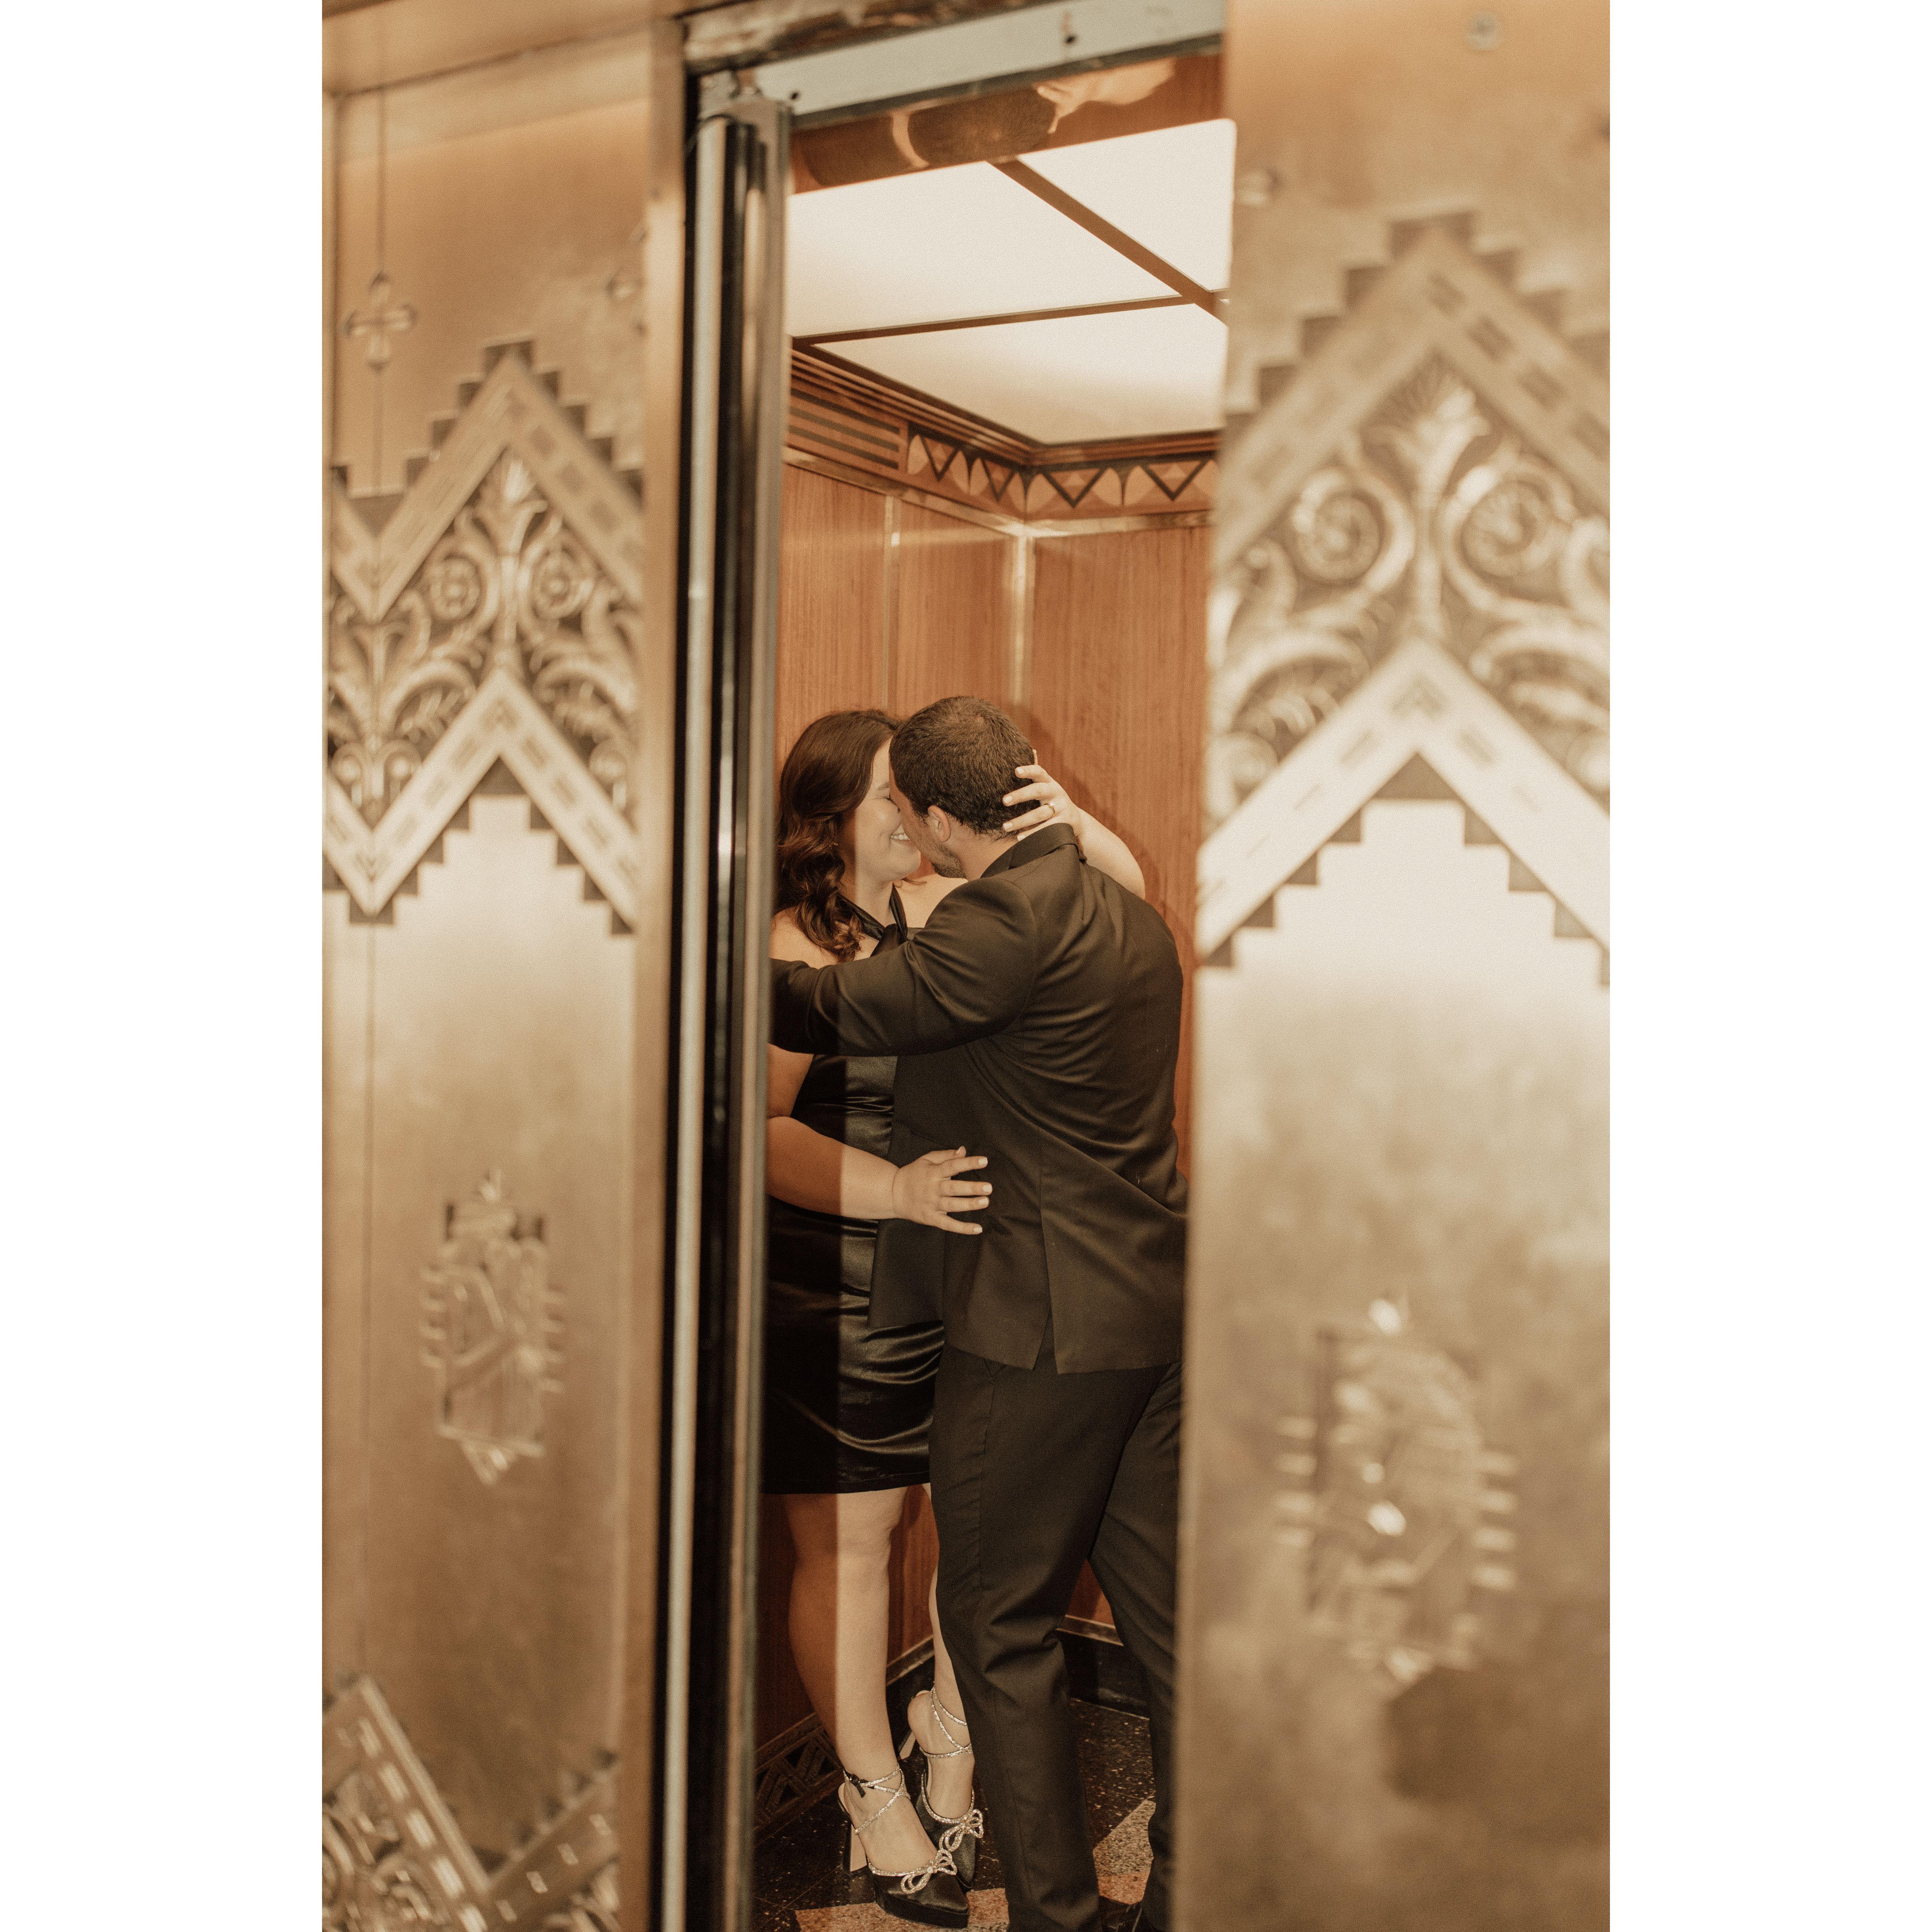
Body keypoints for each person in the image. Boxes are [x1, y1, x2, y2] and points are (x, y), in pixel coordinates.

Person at [770, 696, 1187, 1932]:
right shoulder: (1129, 916)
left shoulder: (999, 922)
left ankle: (1056, 1917)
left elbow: (830, 1012)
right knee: (1171, 1625)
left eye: (913, 811)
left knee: (994, 1626)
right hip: (1148, 1319)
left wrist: (673, 944)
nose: (906, 831)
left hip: (1036, 1329)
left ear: (948, 818)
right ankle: (1188, 1892)